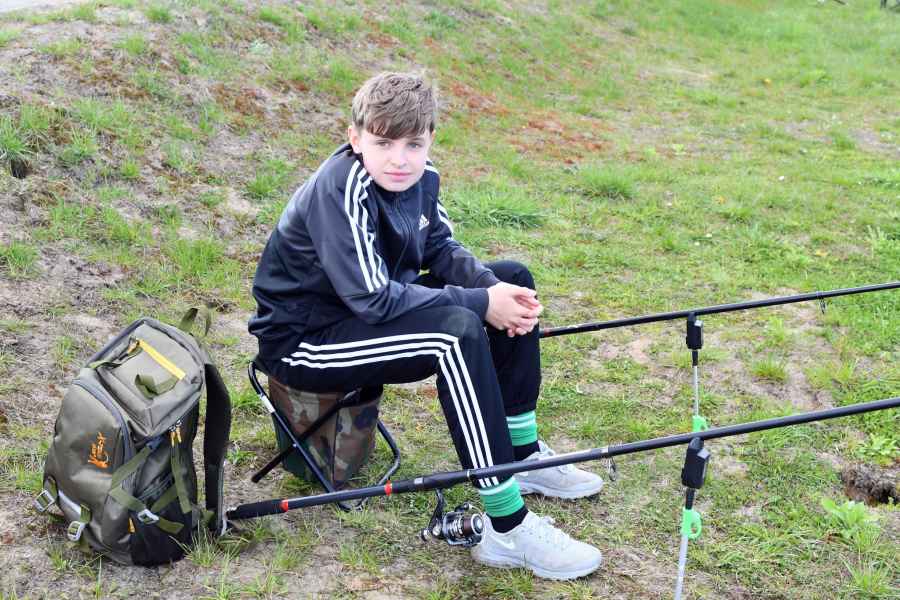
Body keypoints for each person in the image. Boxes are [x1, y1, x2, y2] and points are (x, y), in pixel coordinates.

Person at [248, 72, 604, 580]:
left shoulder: (422, 177)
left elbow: (439, 247)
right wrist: (480, 302)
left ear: (430, 139)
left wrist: (491, 289)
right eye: (383, 143)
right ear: (355, 139)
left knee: (513, 278)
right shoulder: (340, 188)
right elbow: (373, 297)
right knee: (454, 331)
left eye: (414, 144)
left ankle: (523, 457)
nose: (400, 159)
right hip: (305, 342)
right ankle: (507, 527)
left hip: (360, 316)